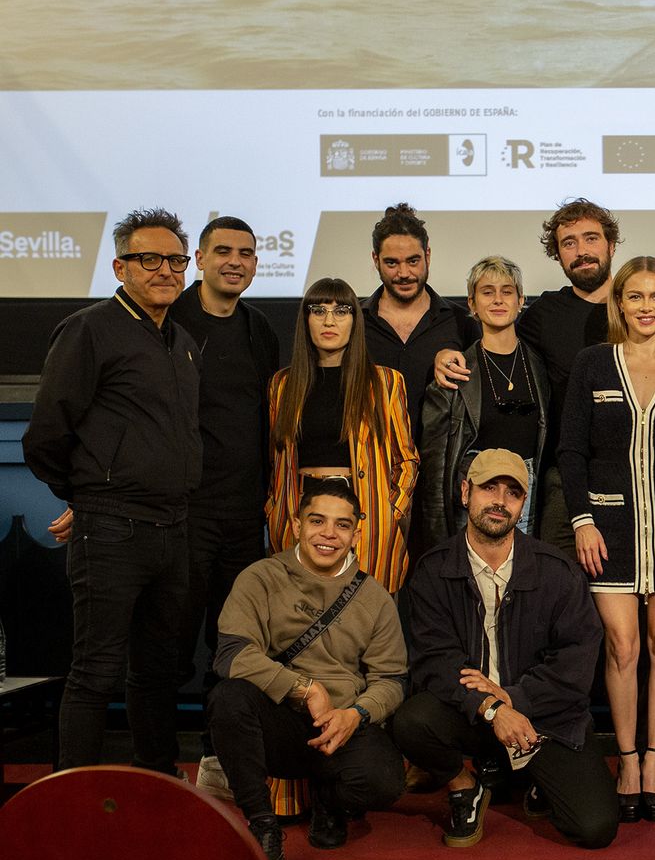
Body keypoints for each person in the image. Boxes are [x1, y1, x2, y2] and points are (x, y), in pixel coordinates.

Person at [23, 208, 201, 774]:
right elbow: (45, 434)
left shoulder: (181, 340)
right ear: (120, 267)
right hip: (111, 530)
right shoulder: (89, 329)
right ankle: (70, 798)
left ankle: (159, 784)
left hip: (173, 527)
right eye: (150, 259)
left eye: (175, 260)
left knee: (158, 671)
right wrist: (87, 496)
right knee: (95, 673)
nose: (166, 270)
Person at [392, 450, 618, 850]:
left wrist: (514, 699)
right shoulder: (433, 570)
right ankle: (465, 786)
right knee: (412, 720)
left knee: (595, 828)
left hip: (544, 717)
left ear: (523, 504)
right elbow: (435, 662)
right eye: (489, 488)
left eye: (513, 493)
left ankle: (530, 775)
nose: (500, 501)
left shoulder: (557, 571)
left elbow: (575, 661)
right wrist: (492, 708)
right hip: (472, 712)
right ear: (466, 492)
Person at [560, 256, 655, 822]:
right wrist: (582, 520)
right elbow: (572, 450)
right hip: (609, 529)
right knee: (622, 647)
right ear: (618, 302)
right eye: (635, 296)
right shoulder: (593, 363)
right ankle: (626, 761)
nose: (646, 307)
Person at [209, 478, 408, 860]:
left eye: (342, 525)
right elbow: (232, 654)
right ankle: (263, 826)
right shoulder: (260, 577)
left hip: (340, 723)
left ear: (356, 535)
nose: (328, 534)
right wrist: (304, 689)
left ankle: (328, 801)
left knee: (385, 782)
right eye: (317, 521)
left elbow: (392, 679)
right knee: (228, 698)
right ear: (298, 525)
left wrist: (356, 714)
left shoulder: (374, 597)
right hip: (278, 719)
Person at [168, 215, 282, 798]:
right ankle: (158, 768)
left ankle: (216, 760)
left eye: (246, 253)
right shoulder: (171, 319)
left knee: (232, 646)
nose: (235, 262)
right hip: (183, 514)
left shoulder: (259, 328)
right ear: (200, 259)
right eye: (223, 252)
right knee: (169, 644)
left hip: (244, 517)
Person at [434, 198, 616, 556]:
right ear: (558, 254)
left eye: (591, 238)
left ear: (611, 244)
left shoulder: (637, 306)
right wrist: (444, 351)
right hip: (563, 476)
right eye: (569, 243)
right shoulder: (544, 314)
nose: (581, 251)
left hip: (630, 468)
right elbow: (494, 335)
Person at [266, 277, 418, 595]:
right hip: (299, 516)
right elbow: (276, 460)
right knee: (302, 617)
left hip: (366, 517)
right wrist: (273, 507)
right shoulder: (283, 384)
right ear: (305, 320)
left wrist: (392, 510)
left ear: (354, 321)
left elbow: (406, 459)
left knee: (365, 615)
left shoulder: (385, 383)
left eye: (341, 311)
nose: (329, 321)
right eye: (318, 311)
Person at [418, 256, 550, 553]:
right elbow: (435, 469)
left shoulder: (540, 367)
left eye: (507, 291)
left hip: (526, 499)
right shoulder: (454, 371)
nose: (498, 300)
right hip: (471, 503)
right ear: (472, 304)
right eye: (487, 292)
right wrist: (438, 539)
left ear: (521, 301)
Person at [361, 202, 477, 454]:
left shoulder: (461, 322)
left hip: (441, 466)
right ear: (375, 260)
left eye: (413, 261)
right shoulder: (355, 322)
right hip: (371, 466)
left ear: (428, 255)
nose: (404, 273)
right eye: (392, 263)